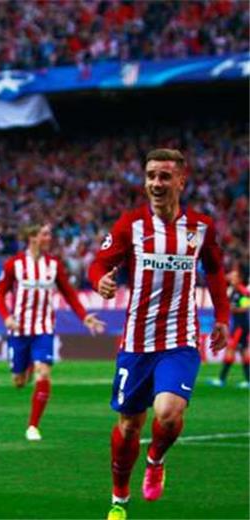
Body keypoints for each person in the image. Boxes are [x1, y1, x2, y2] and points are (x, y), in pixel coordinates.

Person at [88, 149, 230, 520]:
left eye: (165, 176)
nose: (156, 183)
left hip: (181, 339)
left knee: (168, 413)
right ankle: (120, 496)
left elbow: (215, 271)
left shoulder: (200, 227)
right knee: (129, 425)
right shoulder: (130, 225)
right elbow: (99, 263)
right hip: (137, 342)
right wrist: (100, 281)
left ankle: (156, 459)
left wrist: (222, 317)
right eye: (151, 175)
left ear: (181, 181)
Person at [0, 223, 105, 441]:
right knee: (19, 381)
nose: (49, 238)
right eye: (45, 234)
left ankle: (33, 426)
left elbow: (69, 293)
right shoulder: (14, 264)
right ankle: (27, 365)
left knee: (43, 373)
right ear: (32, 237)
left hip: (43, 328)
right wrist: (6, 317)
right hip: (19, 329)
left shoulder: (54, 265)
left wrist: (84, 316)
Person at [209, 267, 250, 388]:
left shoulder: (242, 291)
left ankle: (221, 379)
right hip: (238, 325)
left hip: (240, 326)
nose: (232, 277)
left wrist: (232, 309)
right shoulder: (234, 290)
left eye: (234, 276)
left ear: (240, 279)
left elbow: (246, 307)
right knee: (243, 352)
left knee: (230, 350)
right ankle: (248, 381)